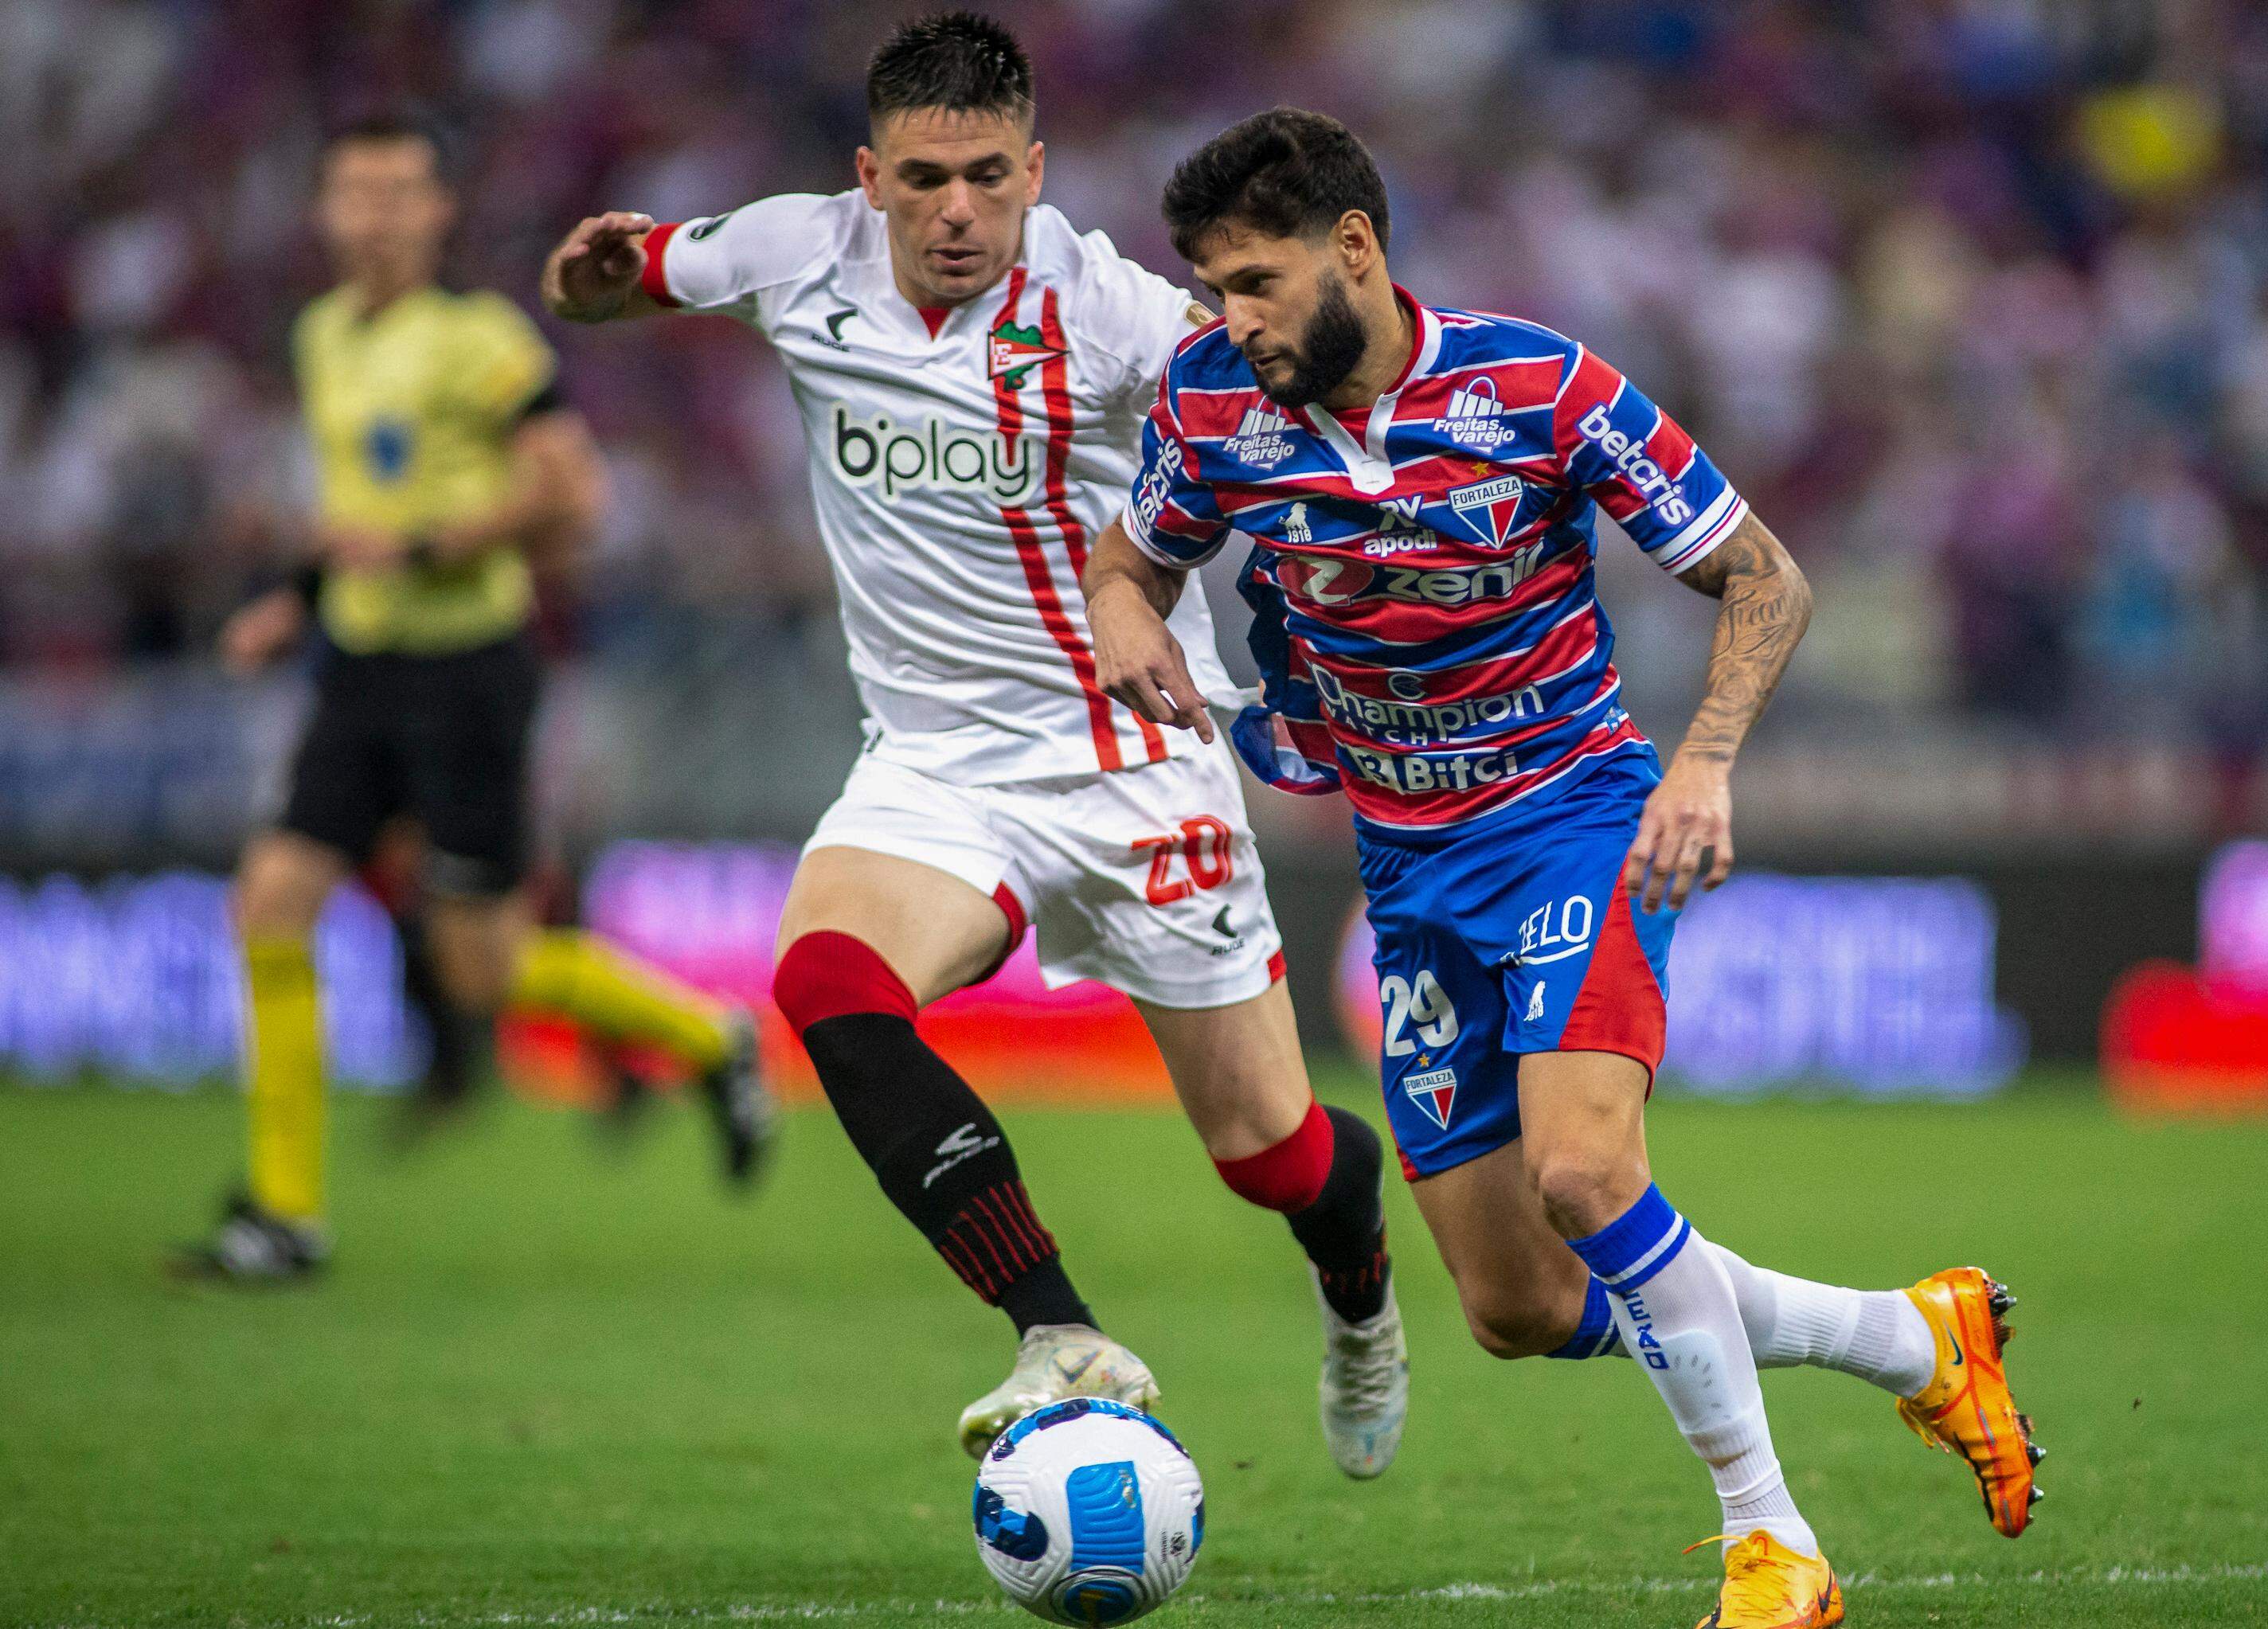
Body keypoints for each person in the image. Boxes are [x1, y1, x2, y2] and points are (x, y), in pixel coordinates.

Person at [1084, 107, 2045, 1627]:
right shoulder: (1212, 408)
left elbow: (1761, 575)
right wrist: (1129, 614)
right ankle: (1910, 1342)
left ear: (1355, 250)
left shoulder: (1534, 383)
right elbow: (1132, 557)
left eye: (1255, 282)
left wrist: (1705, 764)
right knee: (1518, 1306)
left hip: (1570, 817)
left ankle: (1771, 1543)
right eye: (1209, 290)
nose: (1229, 320)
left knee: (1587, 1170)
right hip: (1404, 868)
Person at [539, 14, 1407, 1473]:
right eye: (927, 177)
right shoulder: (787, 253)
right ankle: (1057, 1329)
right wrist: (589, 280)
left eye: (990, 177)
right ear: (868, 175)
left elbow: (1297, 404)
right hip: (934, 767)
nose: (958, 210)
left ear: (1035, 171)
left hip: (1135, 762)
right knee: (822, 979)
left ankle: (1360, 1282)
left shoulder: (1122, 314)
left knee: (1270, 1151)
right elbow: (631, 278)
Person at [181, 115, 773, 1283]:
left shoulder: (483, 343)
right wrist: (297, 597)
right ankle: (284, 1215)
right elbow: (358, 507)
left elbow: (577, 499)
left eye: (401, 191)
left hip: (467, 669)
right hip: (359, 668)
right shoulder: (322, 338)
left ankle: (712, 1035)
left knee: (484, 970)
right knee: (271, 903)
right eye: (357, 190)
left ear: (439, 212)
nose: (378, 212)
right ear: (326, 211)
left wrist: (441, 540)